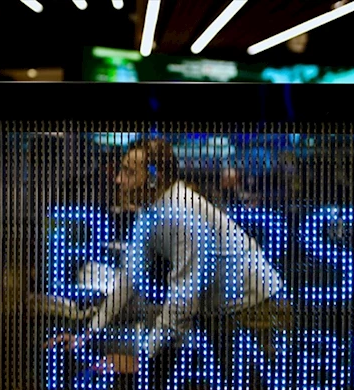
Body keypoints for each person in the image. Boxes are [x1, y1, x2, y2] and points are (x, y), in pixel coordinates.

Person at [45, 139, 285, 376]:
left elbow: (183, 299)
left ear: (153, 178)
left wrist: (140, 360)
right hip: (227, 312)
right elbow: (128, 280)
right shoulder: (151, 211)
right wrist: (85, 336)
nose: (118, 179)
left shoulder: (181, 215)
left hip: (257, 312)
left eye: (128, 172)